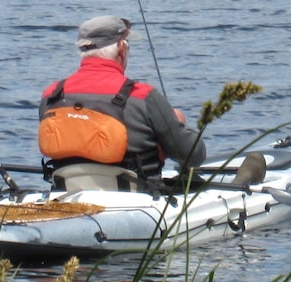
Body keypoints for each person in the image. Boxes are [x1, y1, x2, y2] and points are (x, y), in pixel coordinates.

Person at [38, 15, 206, 194]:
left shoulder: (52, 94)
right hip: (136, 201)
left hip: (65, 196)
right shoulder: (143, 95)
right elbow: (194, 156)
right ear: (121, 48)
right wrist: (177, 123)